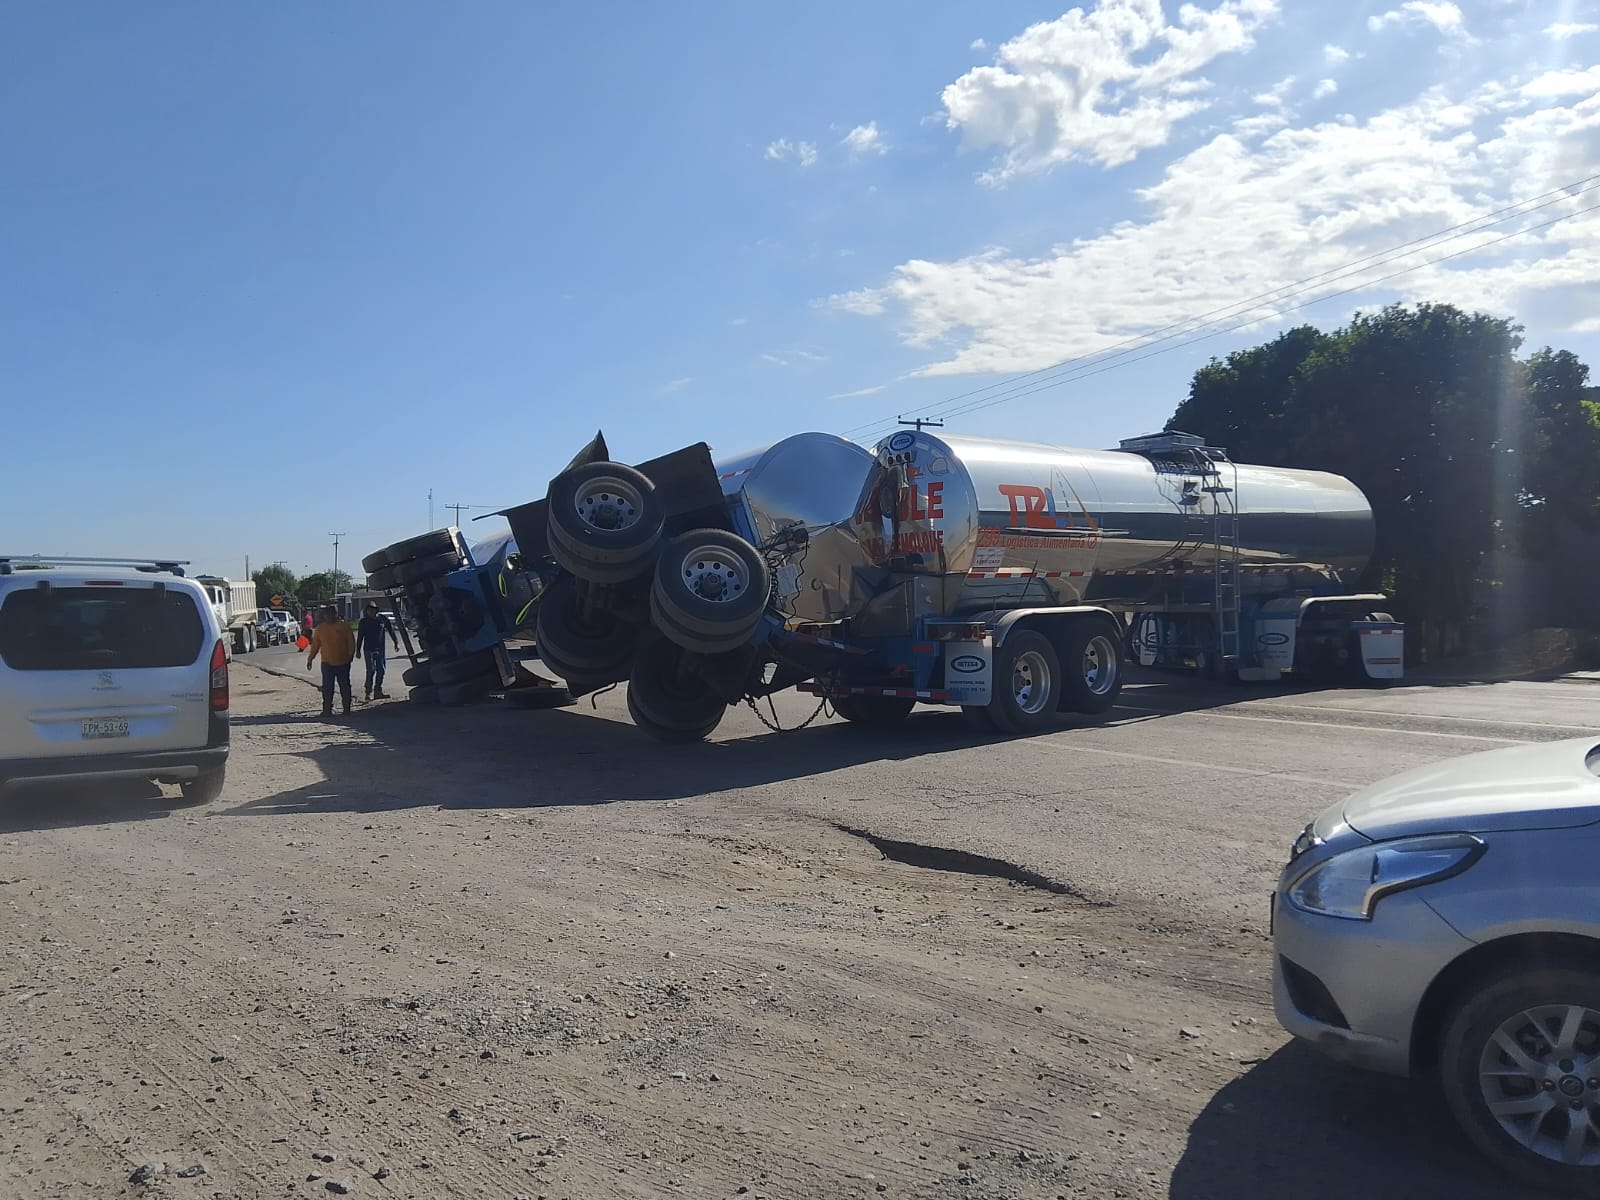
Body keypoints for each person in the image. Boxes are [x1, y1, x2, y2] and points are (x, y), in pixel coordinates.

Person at [305, 605, 356, 716]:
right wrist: (310, 659)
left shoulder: (343, 626)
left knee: (345, 686)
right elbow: (315, 646)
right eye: (326, 614)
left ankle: (346, 708)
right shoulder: (320, 629)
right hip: (327, 663)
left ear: (335, 614)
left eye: (330, 614)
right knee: (327, 687)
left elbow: (351, 642)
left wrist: (350, 656)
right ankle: (327, 709)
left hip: (343, 662)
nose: (328, 617)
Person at [356, 602, 400, 700]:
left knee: (381, 670)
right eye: (369, 610)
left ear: (376, 610)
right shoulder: (364, 622)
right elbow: (360, 637)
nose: (371, 612)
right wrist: (357, 650)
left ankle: (378, 691)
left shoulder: (382, 619)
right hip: (368, 650)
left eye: (373, 609)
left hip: (380, 649)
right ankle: (368, 692)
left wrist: (396, 642)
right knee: (371, 670)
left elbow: (391, 630)